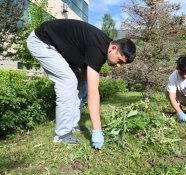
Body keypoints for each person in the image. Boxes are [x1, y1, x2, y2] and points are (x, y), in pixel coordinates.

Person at [26, 19, 136, 149]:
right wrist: (97, 130)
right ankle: (62, 134)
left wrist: (83, 86)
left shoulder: (103, 46)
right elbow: (93, 92)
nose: (118, 65)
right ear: (113, 48)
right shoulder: (99, 48)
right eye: (120, 61)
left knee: (78, 83)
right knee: (68, 81)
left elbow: (85, 68)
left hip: (57, 48)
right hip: (41, 41)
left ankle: (73, 124)